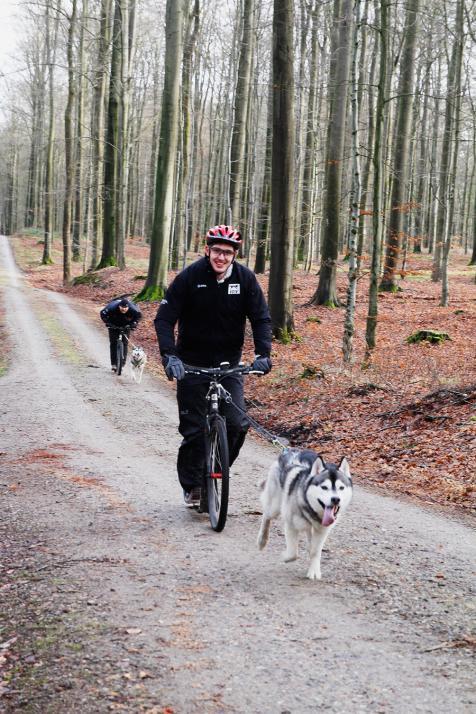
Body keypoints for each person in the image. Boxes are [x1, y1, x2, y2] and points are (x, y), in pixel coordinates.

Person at [154, 224, 272, 507]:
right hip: (191, 364)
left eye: (227, 253)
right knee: (194, 431)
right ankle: (193, 485)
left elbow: (261, 318)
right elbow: (164, 319)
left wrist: (263, 353)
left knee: (237, 424)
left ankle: (217, 470)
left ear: (234, 256)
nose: (221, 257)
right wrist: (169, 356)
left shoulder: (245, 280)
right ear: (207, 250)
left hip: (228, 364)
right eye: (216, 251)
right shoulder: (190, 277)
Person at [100, 296, 142, 371]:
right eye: (122, 308)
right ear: (119, 306)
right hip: (113, 325)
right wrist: (108, 323)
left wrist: (133, 324)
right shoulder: (112, 307)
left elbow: (138, 317)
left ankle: (122, 363)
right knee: (113, 343)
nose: (124, 309)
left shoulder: (134, 309)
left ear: (128, 307)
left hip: (126, 325)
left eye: (125, 308)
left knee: (125, 343)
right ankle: (113, 364)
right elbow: (103, 314)